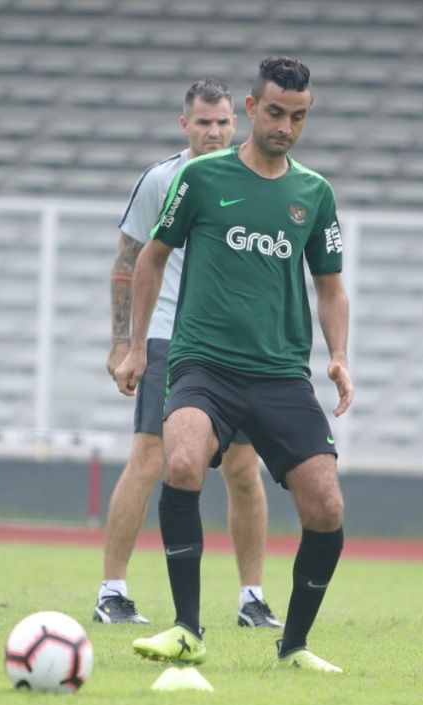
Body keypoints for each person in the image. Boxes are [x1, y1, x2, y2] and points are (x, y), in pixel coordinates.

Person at [113, 56, 353, 672]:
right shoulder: (200, 179)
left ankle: (293, 644)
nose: (285, 126)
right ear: (250, 108)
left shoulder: (314, 193)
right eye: (275, 112)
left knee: (326, 507)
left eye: (298, 116)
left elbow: (330, 286)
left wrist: (340, 358)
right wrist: (136, 346)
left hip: (279, 374)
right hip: (203, 364)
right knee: (183, 460)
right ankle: (187, 629)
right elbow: (150, 257)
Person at [98, 80, 281, 629]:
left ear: (237, 121)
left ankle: (252, 598)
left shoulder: (256, 177)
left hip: (236, 344)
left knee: (245, 470)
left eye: (224, 122)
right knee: (151, 458)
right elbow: (128, 262)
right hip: (170, 336)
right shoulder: (161, 180)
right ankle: (112, 591)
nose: (215, 132)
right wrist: (123, 342)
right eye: (204, 122)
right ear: (185, 125)